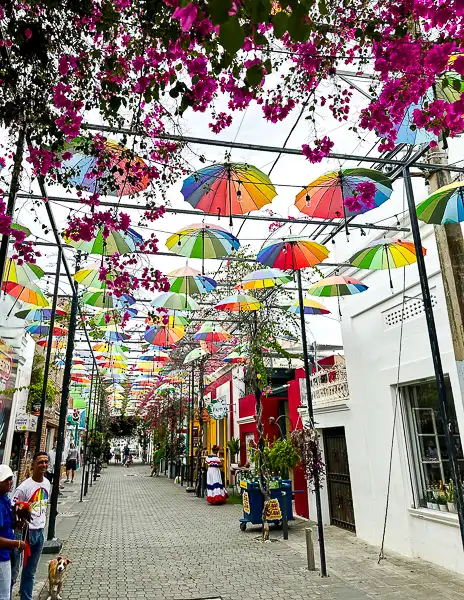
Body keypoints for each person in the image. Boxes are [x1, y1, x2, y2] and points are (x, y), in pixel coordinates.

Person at [12, 452, 50, 600]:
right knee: (14, 571)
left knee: (30, 572)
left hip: (39, 533)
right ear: (33, 464)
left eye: (46, 462)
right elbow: (13, 508)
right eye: (40, 462)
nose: (44, 465)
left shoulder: (47, 483)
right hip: (22, 534)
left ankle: (26, 597)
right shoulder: (24, 487)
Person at [0, 465, 26, 600]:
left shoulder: (5, 498)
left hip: (7, 553)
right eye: (5, 480)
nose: (9, 482)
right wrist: (16, 543)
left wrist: (16, 522)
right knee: (4, 594)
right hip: (1, 556)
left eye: (10, 479)